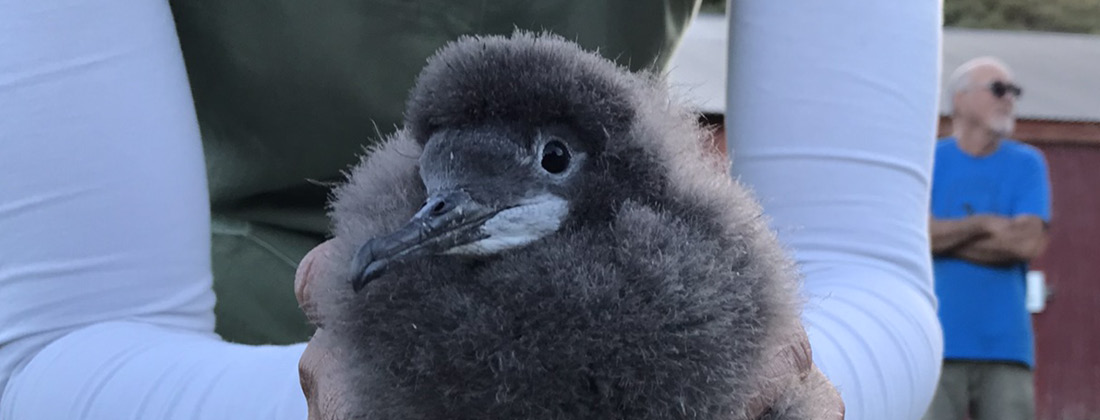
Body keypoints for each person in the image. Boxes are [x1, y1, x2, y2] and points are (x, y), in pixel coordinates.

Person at [0, 1, 941, 419]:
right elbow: (50, 351)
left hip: (675, 292)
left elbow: (860, 270)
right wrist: (375, 399)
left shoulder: (665, 227)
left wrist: (756, 393)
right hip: (238, 355)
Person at [921, 57, 1052, 420]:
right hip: (933, 343)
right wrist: (984, 224)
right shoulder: (928, 160)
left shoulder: (1028, 164)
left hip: (1006, 348)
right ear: (959, 99)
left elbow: (1025, 244)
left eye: (1014, 91)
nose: (1008, 98)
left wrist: (946, 236)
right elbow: (915, 237)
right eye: (998, 88)